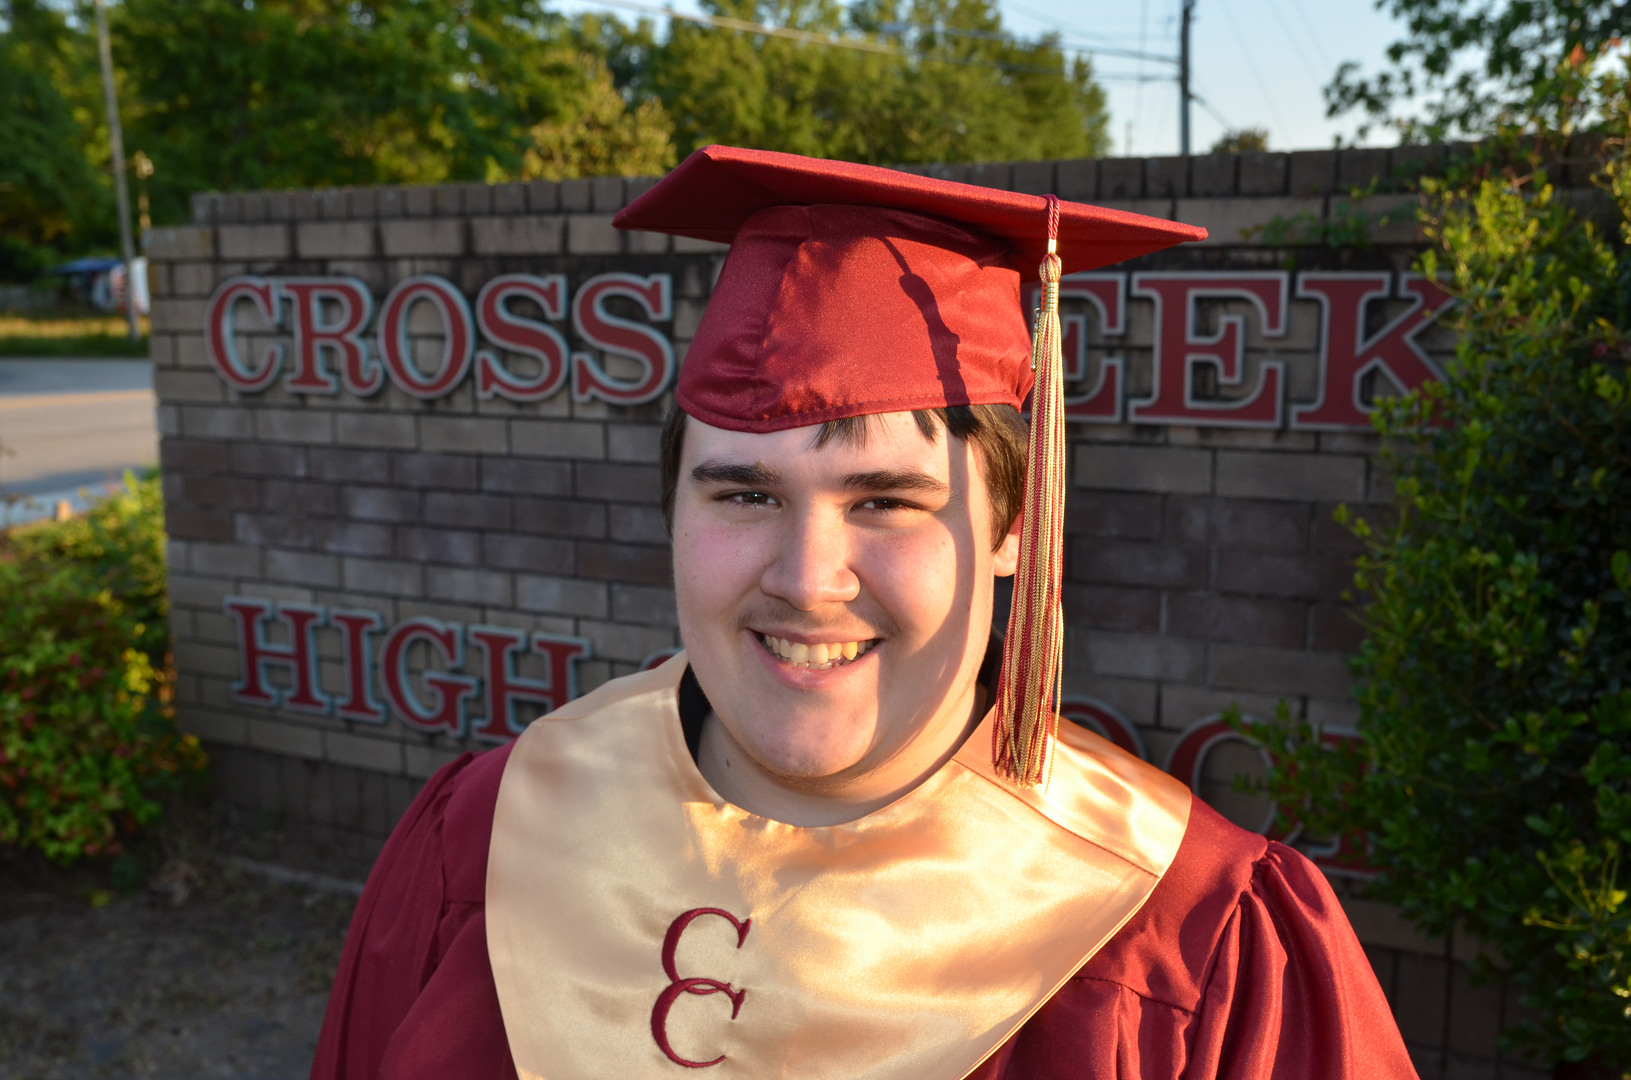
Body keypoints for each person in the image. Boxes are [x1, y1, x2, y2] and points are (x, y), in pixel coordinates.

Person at [310, 146, 1417, 1080]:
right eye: (743, 492)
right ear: (669, 508)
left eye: (885, 499)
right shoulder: (486, 841)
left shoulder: (1197, 947)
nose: (807, 576)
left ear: (1016, 524)